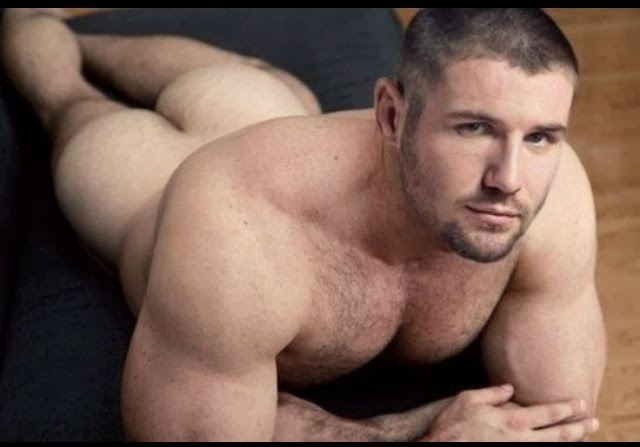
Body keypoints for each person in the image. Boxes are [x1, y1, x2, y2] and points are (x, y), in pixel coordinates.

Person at [0, 7, 606, 441]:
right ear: (392, 116)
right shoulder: (234, 228)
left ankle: (97, 39)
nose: (509, 179)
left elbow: (561, 420)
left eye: (541, 137)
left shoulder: (549, 197)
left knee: (250, 83)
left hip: (270, 121)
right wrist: (421, 430)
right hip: (147, 180)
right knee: (73, 104)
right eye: (474, 128)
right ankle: (39, 24)